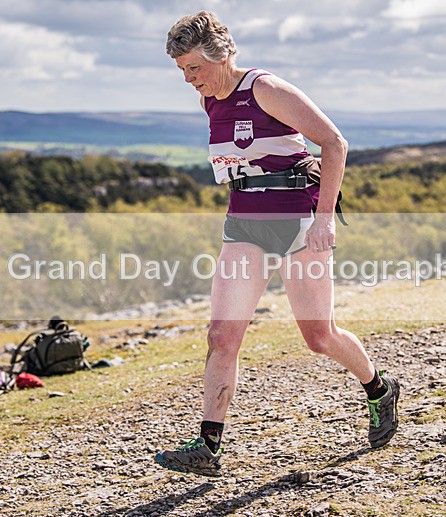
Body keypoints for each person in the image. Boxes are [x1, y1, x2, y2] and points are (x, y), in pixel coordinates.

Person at [155, 11, 400, 477]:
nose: (189, 80)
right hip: (244, 223)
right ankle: (208, 445)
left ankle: (379, 388)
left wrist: (324, 218)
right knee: (222, 335)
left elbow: (334, 142)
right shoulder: (211, 100)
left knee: (319, 336)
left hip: (298, 224)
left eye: (194, 68)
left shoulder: (264, 89)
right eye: (182, 71)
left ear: (220, 56)